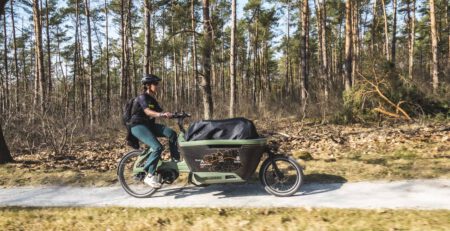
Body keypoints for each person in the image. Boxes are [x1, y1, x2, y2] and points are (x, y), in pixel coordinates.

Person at [129, 74, 180, 188]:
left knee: (171, 133)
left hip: (148, 126)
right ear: (148, 85)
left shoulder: (152, 100)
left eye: (157, 84)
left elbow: (162, 112)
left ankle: (175, 160)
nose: (157, 86)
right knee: (157, 147)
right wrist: (161, 114)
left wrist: (176, 115)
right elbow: (148, 112)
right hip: (138, 126)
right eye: (155, 83)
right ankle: (149, 176)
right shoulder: (142, 98)